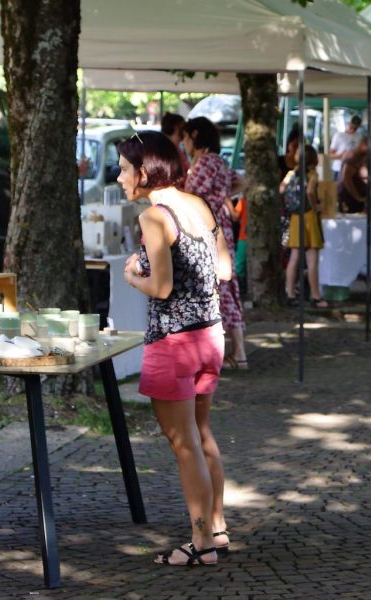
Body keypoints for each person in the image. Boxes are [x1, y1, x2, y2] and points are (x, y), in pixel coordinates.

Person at [117, 130, 232, 566]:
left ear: (145, 171)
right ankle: (216, 530)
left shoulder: (154, 217)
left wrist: (132, 275)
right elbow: (223, 269)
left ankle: (200, 545)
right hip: (210, 336)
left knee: (184, 444)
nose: (120, 176)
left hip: (174, 343)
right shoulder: (198, 204)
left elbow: (161, 287)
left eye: (125, 168)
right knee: (201, 435)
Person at [180, 117, 246, 371]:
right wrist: (223, 195)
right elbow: (241, 182)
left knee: (217, 287)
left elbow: (192, 196)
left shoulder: (206, 162)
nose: (184, 143)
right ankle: (237, 352)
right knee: (226, 287)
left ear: (195, 136)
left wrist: (214, 198)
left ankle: (227, 353)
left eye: (186, 137)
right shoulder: (217, 161)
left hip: (208, 228)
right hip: (219, 226)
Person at [281, 144, 329, 309]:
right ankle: (316, 296)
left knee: (294, 257)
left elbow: (282, 189)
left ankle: (289, 293)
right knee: (312, 259)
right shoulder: (312, 175)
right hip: (308, 217)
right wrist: (316, 206)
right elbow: (309, 191)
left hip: (295, 217)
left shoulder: (291, 174)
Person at [329, 115, 363, 180]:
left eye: (355, 128)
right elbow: (330, 155)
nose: (353, 129)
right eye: (351, 127)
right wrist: (341, 155)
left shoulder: (359, 137)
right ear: (348, 124)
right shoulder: (338, 136)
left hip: (354, 169)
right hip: (339, 168)